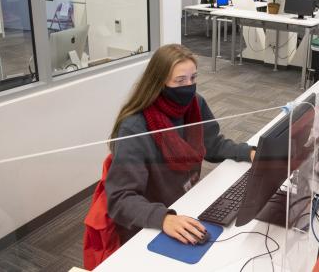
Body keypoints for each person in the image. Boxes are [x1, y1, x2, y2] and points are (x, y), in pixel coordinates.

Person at [105, 44, 255, 245]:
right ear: (159, 82)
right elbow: (120, 198)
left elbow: (212, 145)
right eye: (180, 80)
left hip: (187, 202)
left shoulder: (194, 104)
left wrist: (249, 152)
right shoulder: (135, 127)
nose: (189, 86)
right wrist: (164, 218)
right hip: (151, 221)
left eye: (193, 78)